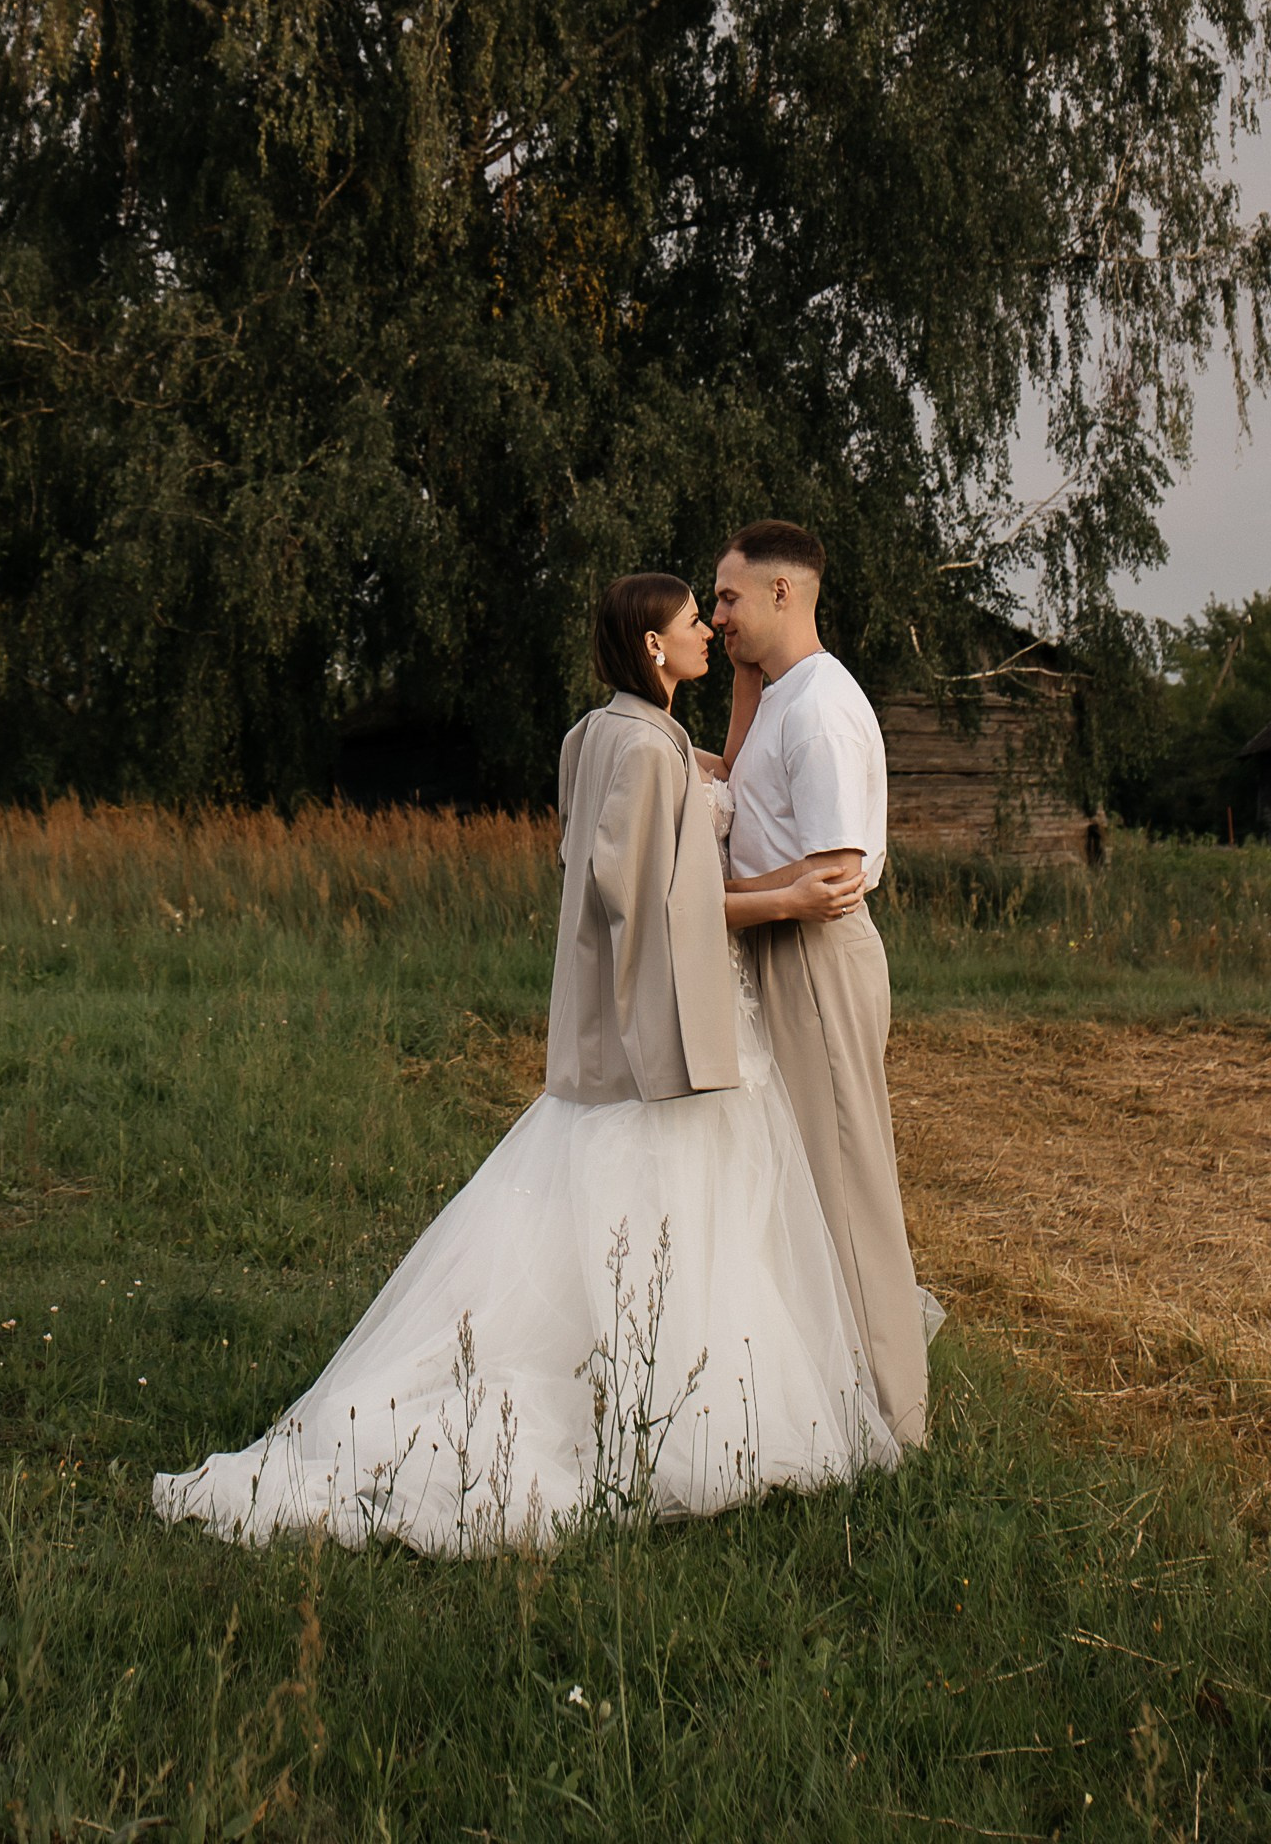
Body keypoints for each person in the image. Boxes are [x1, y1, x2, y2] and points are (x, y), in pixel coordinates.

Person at [154, 572, 907, 1553]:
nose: (708, 634)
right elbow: (650, 902)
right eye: (692, 623)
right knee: (682, 1223)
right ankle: (689, 1425)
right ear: (650, 648)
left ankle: (682, 1402)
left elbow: (692, 791)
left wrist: (743, 691)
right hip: (664, 1036)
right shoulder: (643, 753)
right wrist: (787, 902)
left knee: (678, 1225)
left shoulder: (607, 736)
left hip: (653, 1025)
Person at [714, 520, 935, 1449]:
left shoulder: (822, 709)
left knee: (846, 1185)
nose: (715, 612)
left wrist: (709, 899)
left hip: (816, 958)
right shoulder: (776, 696)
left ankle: (895, 1422)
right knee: (801, 1183)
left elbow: (832, 873)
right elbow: (747, 795)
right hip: (781, 950)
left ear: (782, 593)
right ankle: (827, 1399)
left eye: (728, 596)